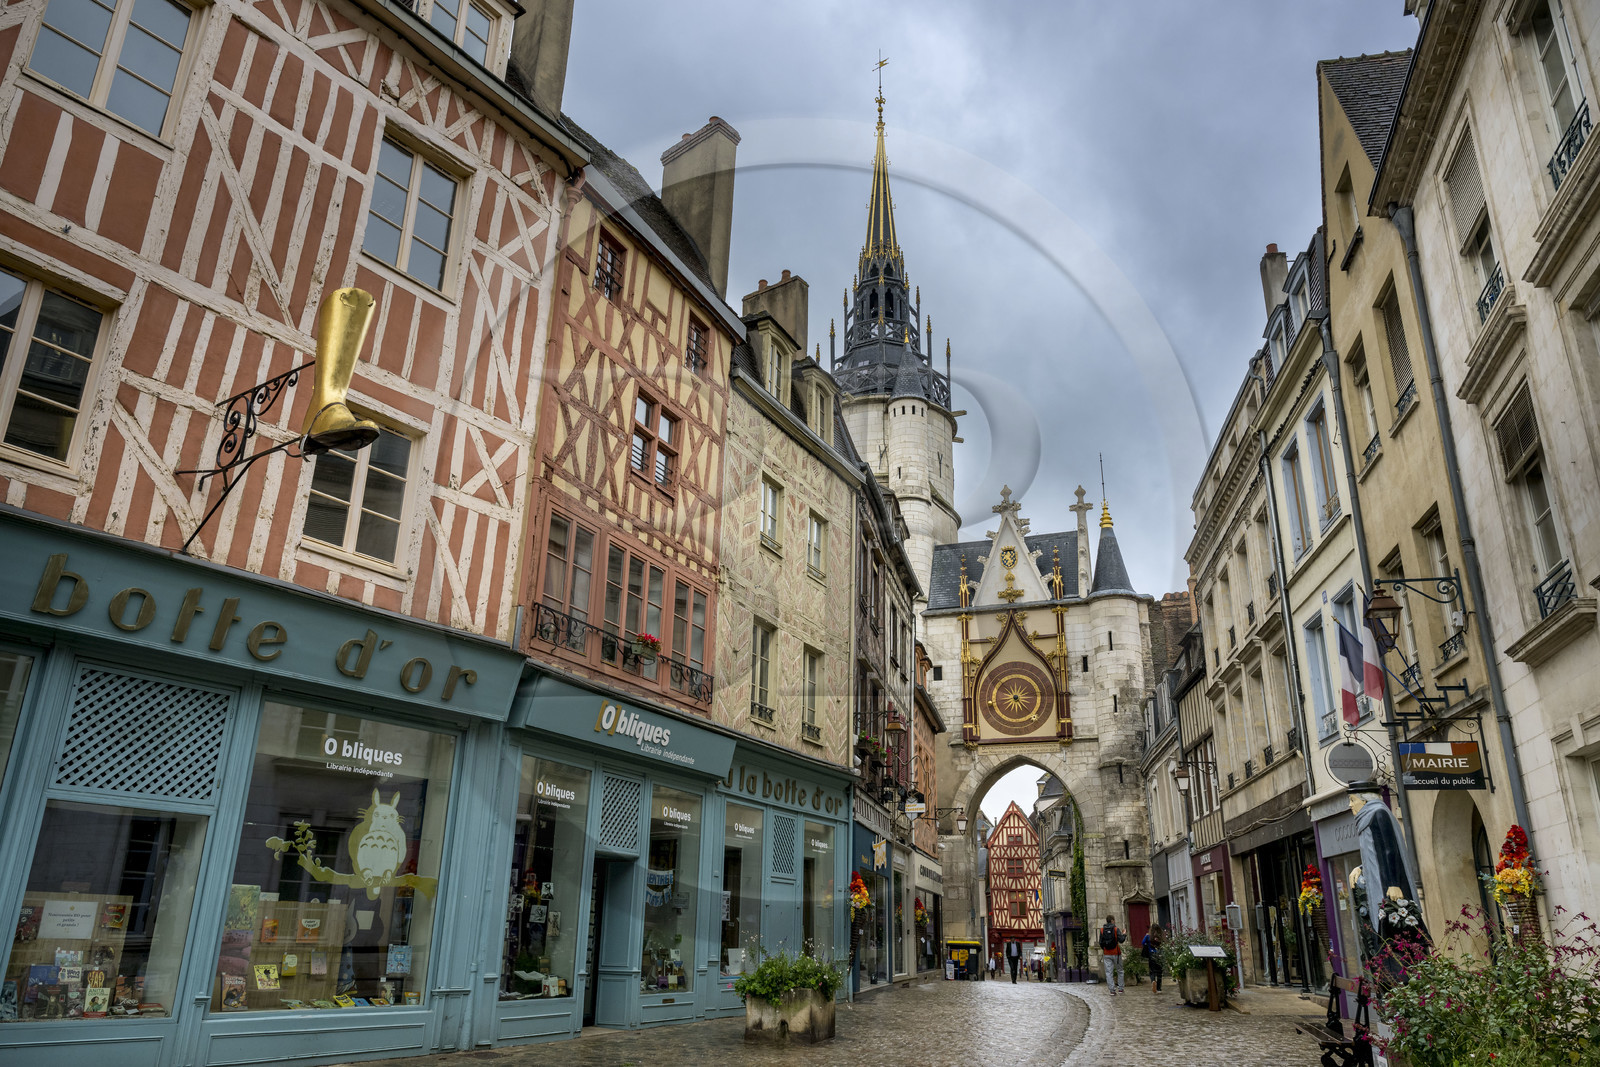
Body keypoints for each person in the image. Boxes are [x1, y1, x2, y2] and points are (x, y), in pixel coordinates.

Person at [1099, 914, 1126, 994]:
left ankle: (1112, 990)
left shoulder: (1102, 930)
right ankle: (1120, 988)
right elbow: (1121, 940)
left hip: (1107, 953)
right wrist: (1124, 933)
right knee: (1120, 970)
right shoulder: (1115, 929)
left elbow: (1101, 942)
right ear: (1112, 921)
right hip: (1116, 953)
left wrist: (1105, 948)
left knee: (1108, 972)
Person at [1143, 923, 1166, 993]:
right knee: (1159, 972)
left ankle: (1153, 981)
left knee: (1152, 971)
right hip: (1159, 955)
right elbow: (1165, 944)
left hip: (1151, 954)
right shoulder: (1161, 937)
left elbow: (1143, 942)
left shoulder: (1148, 936)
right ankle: (1159, 988)